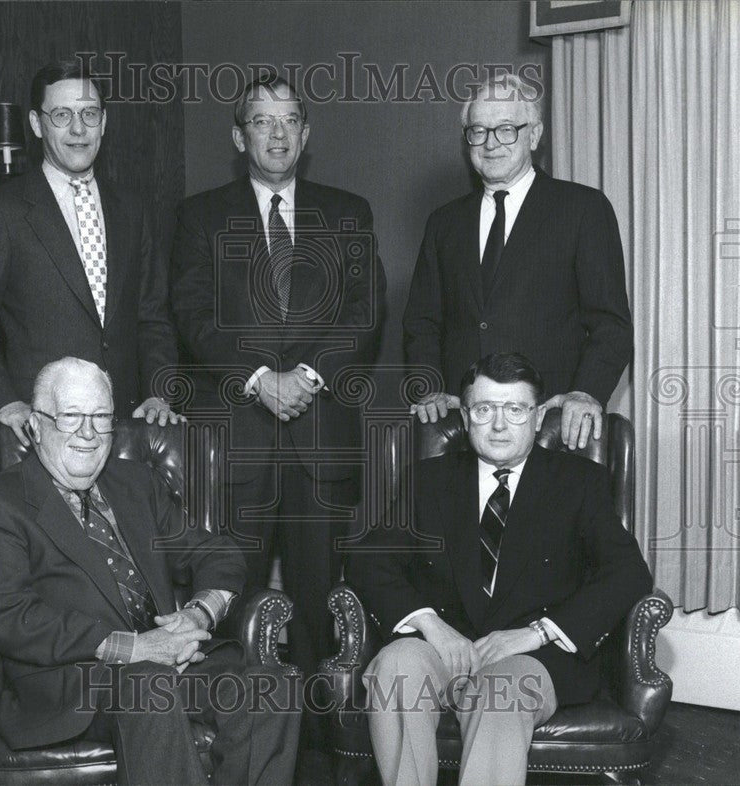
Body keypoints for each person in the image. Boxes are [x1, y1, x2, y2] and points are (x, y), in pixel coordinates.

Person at [0, 357, 299, 786]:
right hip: (78, 687)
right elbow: (14, 618)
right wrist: (136, 648)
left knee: (273, 688)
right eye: (71, 417)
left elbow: (217, 554)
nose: (88, 433)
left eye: (100, 418)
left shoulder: (136, 483)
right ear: (37, 425)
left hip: (177, 663)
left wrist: (197, 615)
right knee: (148, 685)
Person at [169, 74, 386, 738]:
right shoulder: (200, 216)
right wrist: (260, 378)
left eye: (290, 120)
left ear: (307, 134)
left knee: (322, 609)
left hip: (320, 440)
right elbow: (193, 315)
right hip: (238, 443)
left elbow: (365, 313)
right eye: (262, 122)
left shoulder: (348, 212)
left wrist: (309, 375)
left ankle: (325, 747)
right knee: (235, 602)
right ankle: (245, 740)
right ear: (240, 137)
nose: (278, 133)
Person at [346, 352, 652, 786]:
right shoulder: (429, 480)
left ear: (537, 414)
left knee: (501, 694)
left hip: (532, 657)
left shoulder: (577, 481)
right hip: (442, 646)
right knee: (395, 668)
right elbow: (368, 557)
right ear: (467, 416)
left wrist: (538, 632)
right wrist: (430, 624)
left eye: (515, 409)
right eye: (485, 409)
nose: (499, 425)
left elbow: (628, 573)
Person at [0, 60, 180, 447]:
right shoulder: (3, 210)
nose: (77, 129)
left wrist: (158, 391)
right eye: (62, 115)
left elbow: (153, 316)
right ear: (37, 124)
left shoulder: (131, 209)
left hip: (126, 432)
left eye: (89, 114)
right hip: (42, 433)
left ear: (103, 122)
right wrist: (4, 403)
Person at [403, 73, 632, 450]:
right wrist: (430, 390)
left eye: (506, 129)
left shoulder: (583, 209)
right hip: (465, 427)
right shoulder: (444, 222)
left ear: (535, 135)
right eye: (478, 131)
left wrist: (585, 393)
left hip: (550, 425)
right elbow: (421, 322)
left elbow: (611, 324)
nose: (490, 143)